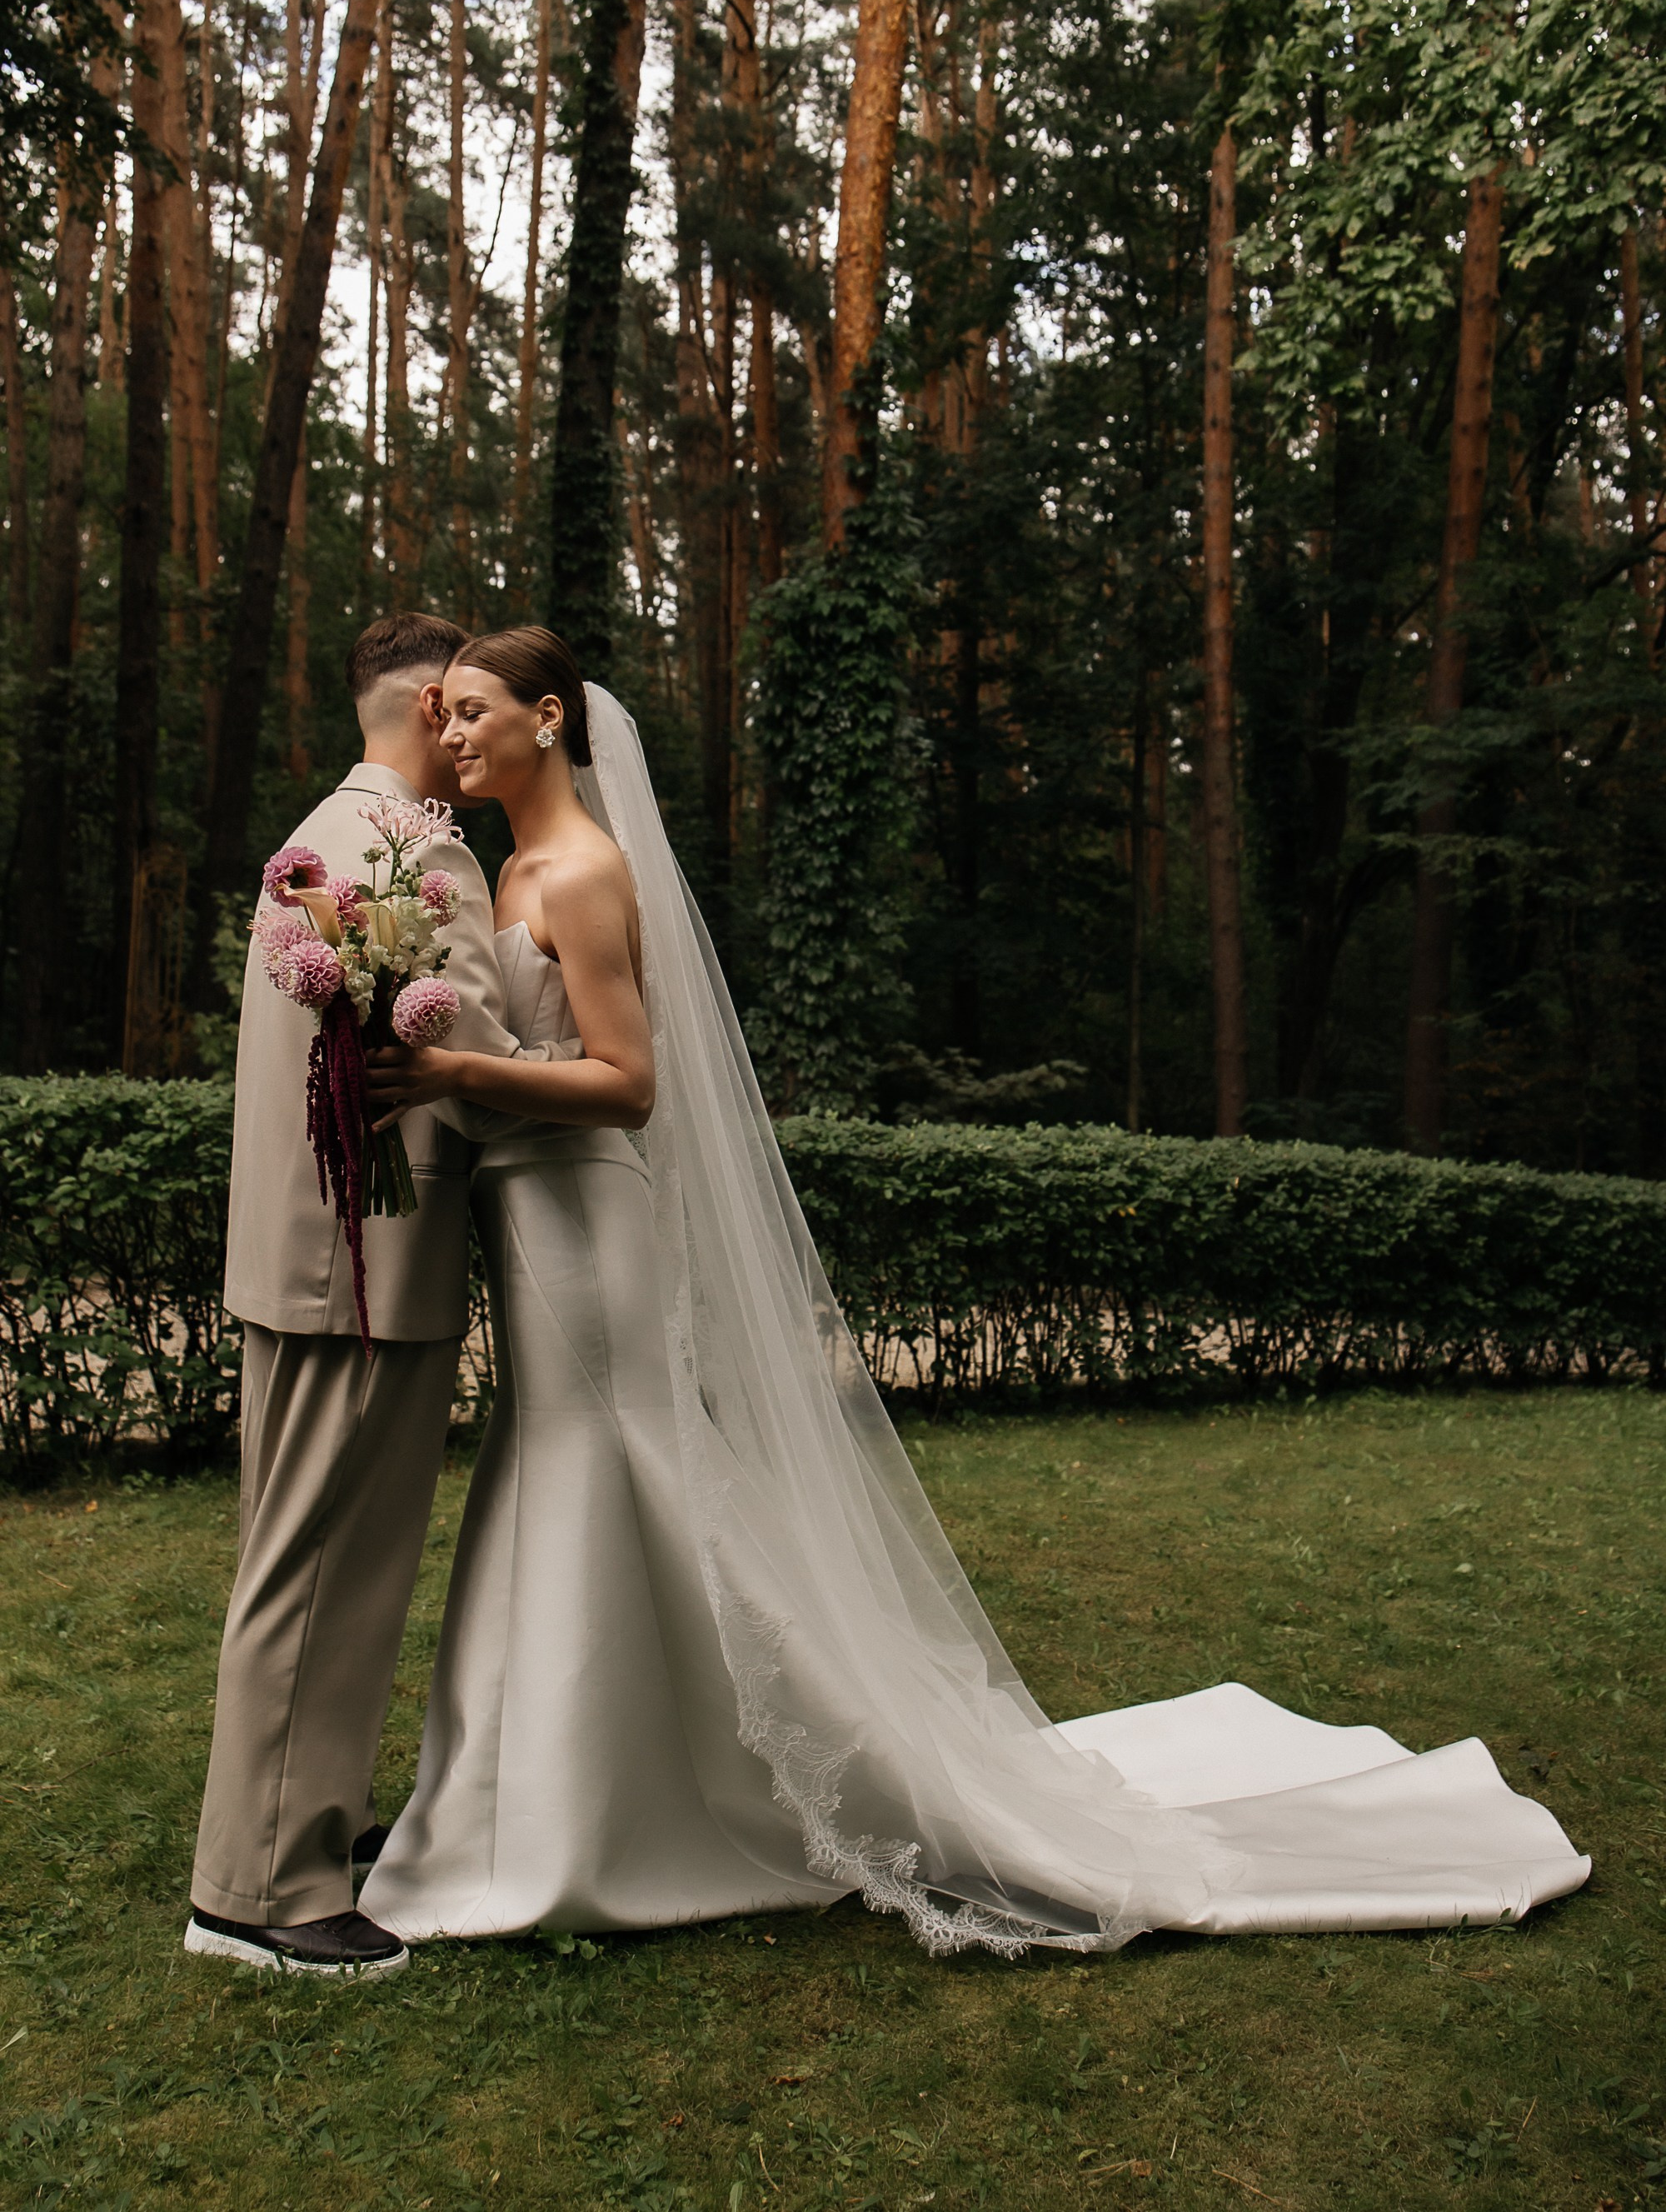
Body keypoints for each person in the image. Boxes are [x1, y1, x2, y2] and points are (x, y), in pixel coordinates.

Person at [359, 627, 1591, 1956]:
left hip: (588, 1220)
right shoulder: (505, 868)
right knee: (579, 1480)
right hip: (534, 1211)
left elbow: (631, 1082)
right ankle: (554, 1797)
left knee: (608, 1472)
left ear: (551, 719)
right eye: (447, 712)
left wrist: (457, 1077)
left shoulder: (583, 871)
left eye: (478, 710)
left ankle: (583, 1818)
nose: (457, 732)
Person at [185, 613, 542, 1980]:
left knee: (299, 1556)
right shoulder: (416, 847)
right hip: (363, 1261)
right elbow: (477, 1046)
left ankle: (292, 1829)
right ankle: (259, 1893)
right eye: (457, 711)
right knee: (325, 1565)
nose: (469, 739)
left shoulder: (317, 835)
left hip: (303, 1253)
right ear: (421, 701)